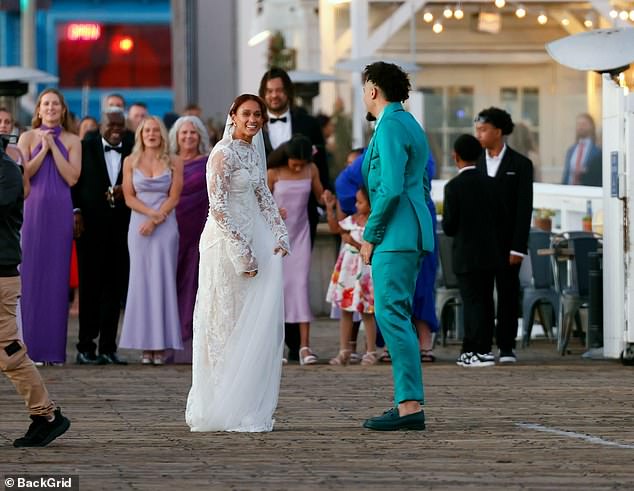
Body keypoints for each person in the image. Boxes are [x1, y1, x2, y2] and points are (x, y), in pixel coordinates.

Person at [185, 94, 289, 432]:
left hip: (252, 238)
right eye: (246, 114)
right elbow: (218, 207)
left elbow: (262, 195)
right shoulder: (222, 153)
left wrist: (279, 232)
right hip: (224, 244)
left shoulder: (252, 153)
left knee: (246, 319)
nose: (253, 119)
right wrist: (242, 250)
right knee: (223, 319)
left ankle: (242, 399)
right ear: (233, 115)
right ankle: (218, 402)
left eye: (258, 114)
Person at [359, 62, 433, 431]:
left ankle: (408, 405)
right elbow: (419, 185)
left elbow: (388, 189)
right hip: (412, 231)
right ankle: (408, 401)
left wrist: (370, 235)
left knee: (392, 316)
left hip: (394, 236)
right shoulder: (410, 124)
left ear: (372, 90)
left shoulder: (388, 126)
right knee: (397, 315)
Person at [0, 138, 71, 447]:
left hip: (1, 275)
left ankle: (47, 415)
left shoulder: (7, 171)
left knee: (8, 350)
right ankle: (45, 414)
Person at [259, 67, 330, 363]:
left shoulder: (308, 124)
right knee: (272, 282)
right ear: (264, 95)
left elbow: (322, 166)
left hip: (302, 220)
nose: (275, 96)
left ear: (288, 92)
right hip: (265, 225)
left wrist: (324, 202)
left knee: (297, 280)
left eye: (279, 90)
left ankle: (298, 345)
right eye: (270, 91)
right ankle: (279, 344)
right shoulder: (254, 124)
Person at [17, 88, 81, 365]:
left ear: (62, 110)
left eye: (56, 104)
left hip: (59, 211)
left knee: (56, 279)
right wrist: (42, 147)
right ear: (39, 110)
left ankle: (53, 351)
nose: (51, 108)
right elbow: (24, 173)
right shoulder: (27, 137)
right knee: (30, 277)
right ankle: (29, 348)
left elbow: (72, 177)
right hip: (32, 211)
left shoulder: (73, 140)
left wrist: (55, 146)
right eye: (46, 104)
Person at [119, 116, 184, 365]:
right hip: (139, 227)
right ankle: (146, 346)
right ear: (140, 134)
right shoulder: (130, 161)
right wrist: (150, 215)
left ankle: (162, 345)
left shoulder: (175, 161)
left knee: (163, 282)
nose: (152, 134)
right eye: (147, 130)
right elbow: (128, 196)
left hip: (165, 226)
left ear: (162, 134)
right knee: (141, 283)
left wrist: (157, 219)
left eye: (156, 130)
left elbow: (175, 195)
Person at [72, 108, 132, 365]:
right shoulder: (85, 146)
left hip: (122, 228)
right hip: (90, 228)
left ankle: (109, 347)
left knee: (115, 288)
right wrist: (75, 211)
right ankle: (85, 347)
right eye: (111, 125)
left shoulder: (132, 146)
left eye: (120, 125)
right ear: (100, 125)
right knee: (89, 288)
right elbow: (74, 183)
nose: (116, 130)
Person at [475, 107, 533, 363]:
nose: (479, 134)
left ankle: (507, 346)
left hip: (508, 243)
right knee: (483, 295)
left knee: (508, 294)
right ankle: (484, 345)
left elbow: (524, 207)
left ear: (498, 131)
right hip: (482, 243)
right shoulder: (475, 161)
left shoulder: (521, 164)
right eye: (477, 129)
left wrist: (518, 247)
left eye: (484, 129)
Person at [442, 134, 506, 367]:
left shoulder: (453, 187)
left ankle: (471, 350)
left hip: (465, 255)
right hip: (490, 253)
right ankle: (486, 348)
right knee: (487, 300)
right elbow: (502, 219)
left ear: (455, 156)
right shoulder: (492, 184)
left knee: (471, 302)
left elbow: (449, 226)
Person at [268, 134, 325, 365]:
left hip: (300, 236)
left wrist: (328, 199)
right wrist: (273, 212)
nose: (299, 166)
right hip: (276, 238)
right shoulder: (273, 172)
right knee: (277, 291)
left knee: (300, 287)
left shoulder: (311, 170)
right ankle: (277, 347)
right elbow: (258, 203)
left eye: (302, 163)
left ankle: (304, 346)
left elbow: (320, 196)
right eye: (295, 163)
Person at [168, 116, 210, 363]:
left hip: (198, 230)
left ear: (200, 136)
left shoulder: (208, 162)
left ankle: (188, 339)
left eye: (193, 133)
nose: (188, 137)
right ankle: (167, 338)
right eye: (184, 133)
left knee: (193, 284)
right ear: (176, 136)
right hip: (170, 230)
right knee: (169, 282)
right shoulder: (168, 163)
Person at [323, 187, 377, 366]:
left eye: (360, 202)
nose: (356, 204)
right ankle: (344, 349)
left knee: (367, 310)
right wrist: (330, 208)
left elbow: (365, 246)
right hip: (349, 269)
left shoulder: (373, 223)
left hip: (364, 270)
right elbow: (334, 228)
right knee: (346, 309)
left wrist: (351, 241)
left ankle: (370, 350)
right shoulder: (352, 220)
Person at [413, 155, 440, 363]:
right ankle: (392, 341)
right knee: (393, 281)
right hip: (393, 213)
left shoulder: (423, 151)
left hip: (420, 212)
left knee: (423, 281)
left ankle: (424, 337)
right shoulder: (380, 142)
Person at [561, 113, 602, 187]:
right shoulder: (571, 150)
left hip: (587, 191)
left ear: (591, 126)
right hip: (569, 191)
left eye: (584, 124)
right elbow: (566, 175)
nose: (580, 127)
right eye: (578, 124)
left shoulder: (597, 151)